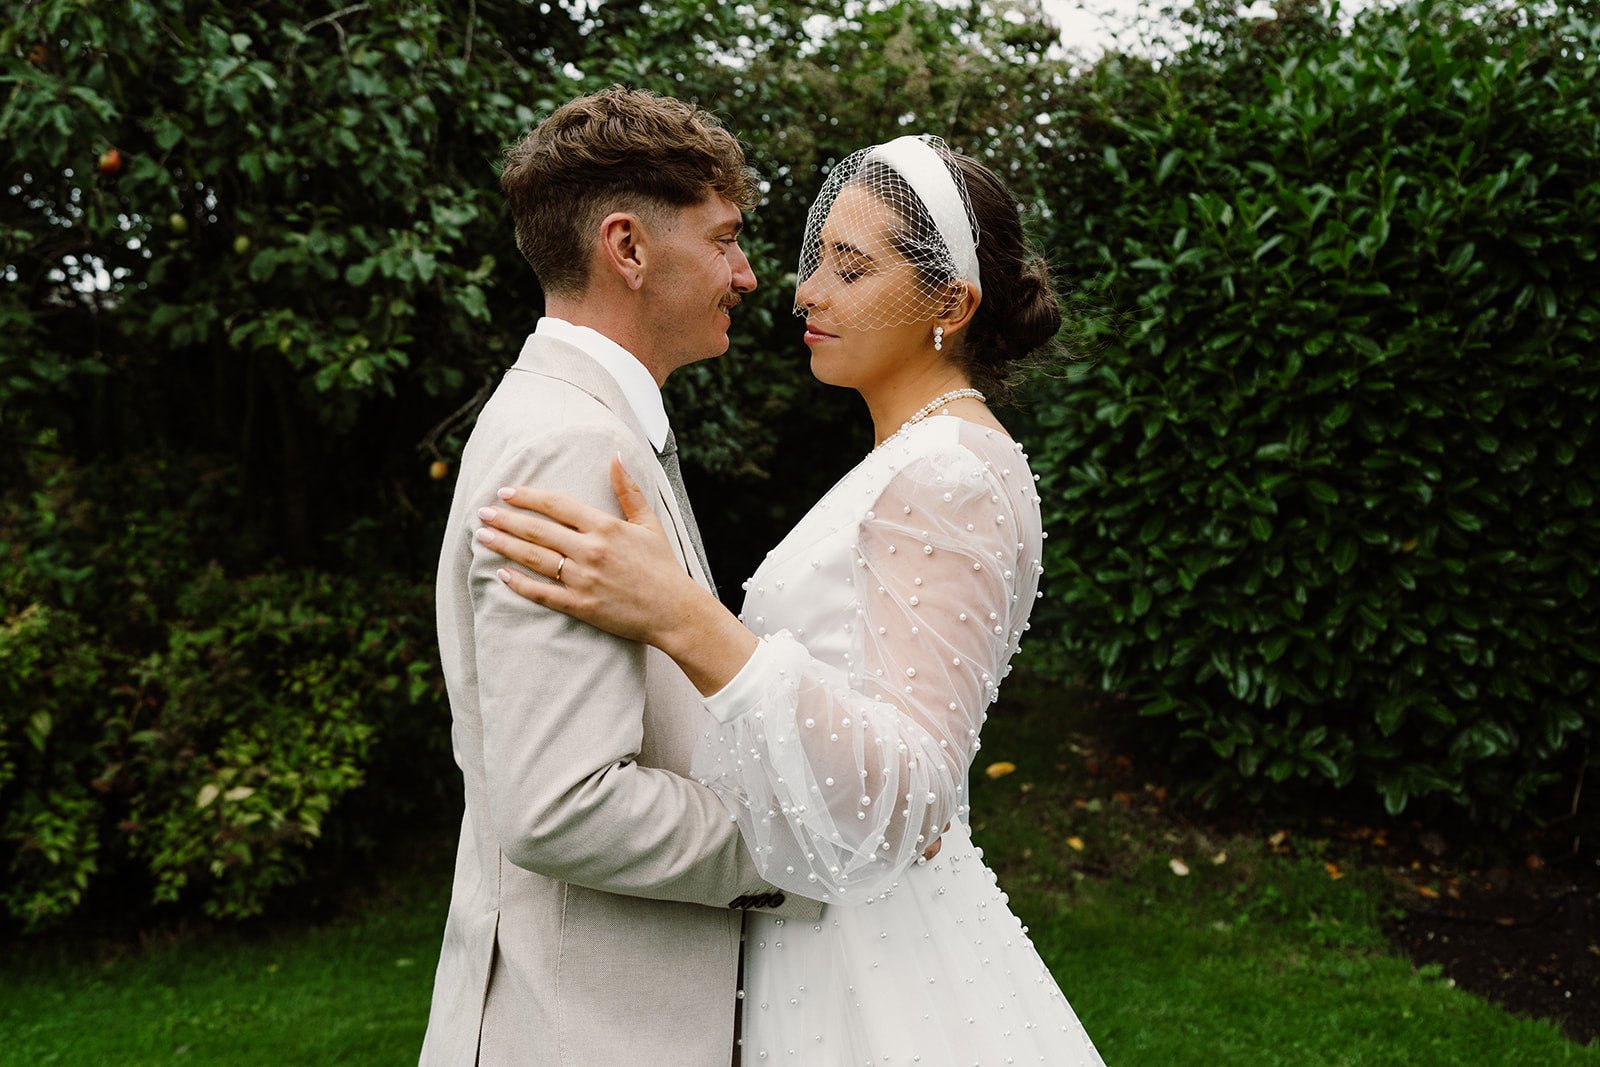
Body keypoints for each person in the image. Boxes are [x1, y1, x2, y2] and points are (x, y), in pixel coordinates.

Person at [475, 135, 1106, 1063]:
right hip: (809, 945)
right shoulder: (907, 461)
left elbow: (913, 795)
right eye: (818, 259)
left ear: (952, 302)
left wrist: (684, 617)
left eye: (849, 268)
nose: (805, 289)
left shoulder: (951, 476)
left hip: (871, 970)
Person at [419, 86, 823, 1067]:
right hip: (578, 1033)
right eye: (725, 239)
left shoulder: (579, 418)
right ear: (627, 248)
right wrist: (802, 840)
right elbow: (564, 803)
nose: (748, 273)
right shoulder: (569, 442)